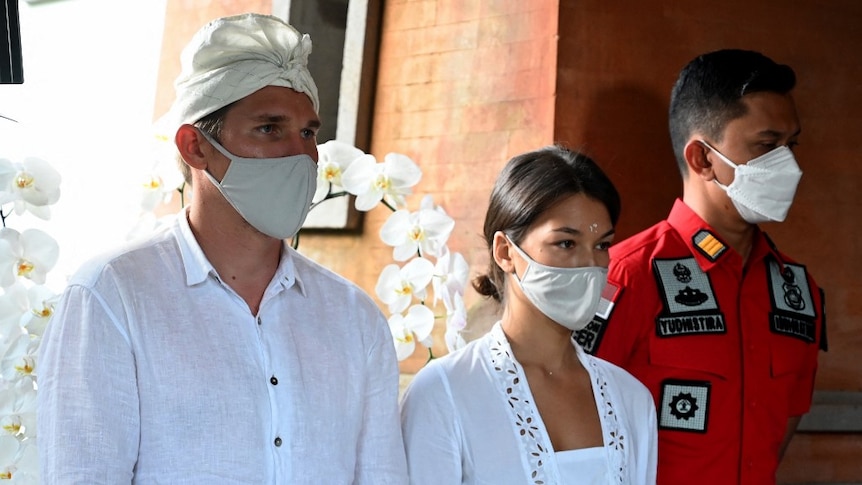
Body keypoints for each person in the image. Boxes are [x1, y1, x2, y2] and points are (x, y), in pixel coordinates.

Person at [37, 13, 407, 483]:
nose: (302, 154)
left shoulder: (354, 319)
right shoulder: (112, 298)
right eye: (270, 128)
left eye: (308, 132)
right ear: (195, 146)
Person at [575, 49, 827, 484]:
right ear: (702, 159)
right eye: (767, 146)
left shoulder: (796, 293)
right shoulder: (627, 275)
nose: (788, 164)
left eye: (791, 145)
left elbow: (782, 424)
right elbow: (573, 419)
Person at [400, 146, 658, 484]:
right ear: (506, 252)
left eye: (602, 245)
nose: (590, 265)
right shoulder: (445, 392)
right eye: (566, 243)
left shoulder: (631, 399)